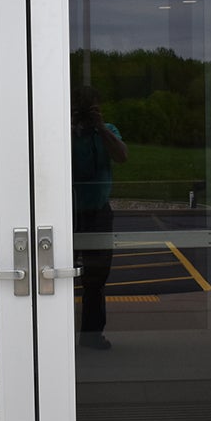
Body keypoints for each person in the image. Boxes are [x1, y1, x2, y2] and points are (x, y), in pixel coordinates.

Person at [71, 85, 127, 349]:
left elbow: (122, 156)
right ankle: (57, 335)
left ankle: (91, 336)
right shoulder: (62, 132)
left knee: (96, 279)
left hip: (98, 213)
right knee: (57, 276)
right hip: (66, 214)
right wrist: (68, 128)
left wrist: (101, 128)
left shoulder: (107, 132)